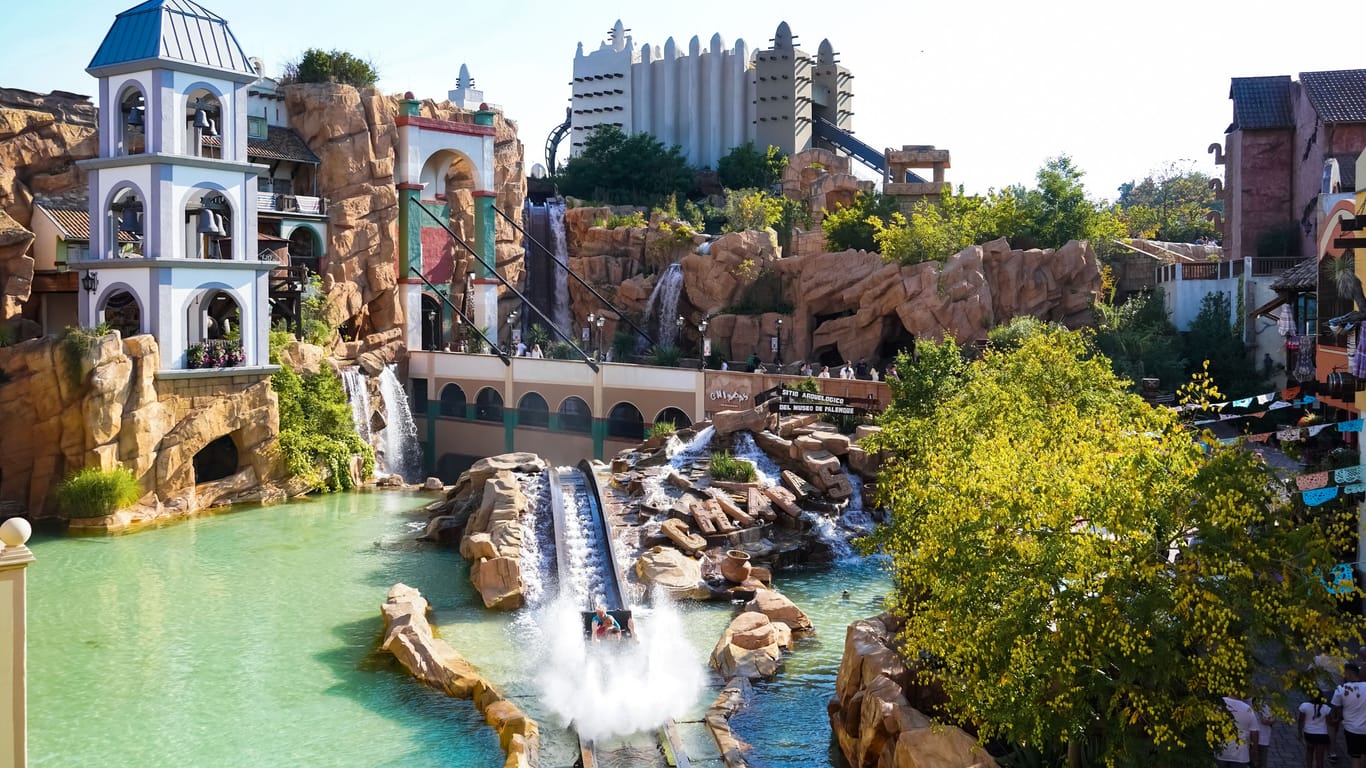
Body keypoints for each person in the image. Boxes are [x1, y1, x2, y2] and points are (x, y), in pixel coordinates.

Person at [1334, 662, 1366, 768]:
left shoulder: (1340, 690)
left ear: (1349, 674)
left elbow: (1337, 709)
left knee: (1355, 757)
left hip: (1351, 729)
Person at [1219, 695, 1260, 768]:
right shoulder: (1247, 709)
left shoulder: (1219, 703)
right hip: (1241, 755)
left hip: (1220, 751)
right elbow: (1254, 733)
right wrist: (1254, 752)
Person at [1301, 690, 1333, 768]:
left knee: (1309, 753)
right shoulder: (1326, 708)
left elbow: (1301, 720)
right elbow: (1330, 723)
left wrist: (1299, 732)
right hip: (1322, 735)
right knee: (1320, 758)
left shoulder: (1304, 706)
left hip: (1309, 733)